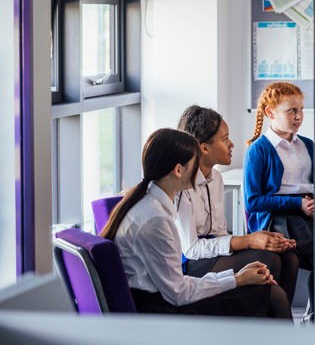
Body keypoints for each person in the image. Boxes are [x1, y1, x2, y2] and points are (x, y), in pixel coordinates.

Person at [101, 128, 291, 318]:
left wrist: (234, 277)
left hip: (160, 299)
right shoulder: (156, 220)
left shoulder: (147, 202)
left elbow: (176, 285)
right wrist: (237, 280)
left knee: (267, 294)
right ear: (178, 170)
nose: (199, 172)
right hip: (159, 310)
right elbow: (179, 293)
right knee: (274, 297)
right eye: (195, 164)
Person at [176, 105, 299, 303]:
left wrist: (263, 239)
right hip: (190, 263)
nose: (231, 144)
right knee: (268, 260)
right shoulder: (181, 186)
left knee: (288, 257)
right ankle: (262, 321)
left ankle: (275, 320)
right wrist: (249, 241)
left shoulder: (216, 178)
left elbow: (220, 233)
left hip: (212, 254)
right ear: (204, 147)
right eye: (225, 139)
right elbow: (191, 249)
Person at [244, 82, 314, 314]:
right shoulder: (259, 150)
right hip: (279, 217)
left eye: (301, 109)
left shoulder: (308, 145)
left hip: (308, 212)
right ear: (270, 113)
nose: (299, 116)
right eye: (291, 110)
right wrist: (297, 203)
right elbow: (253, 201)